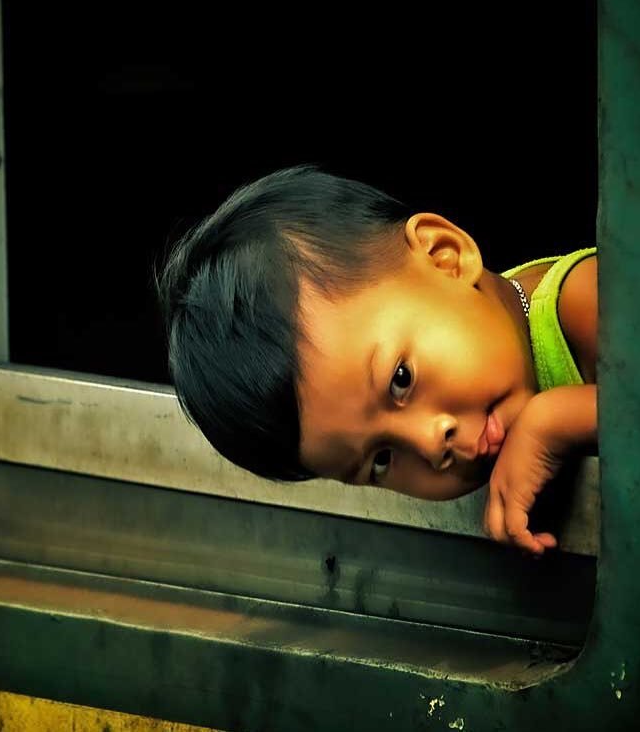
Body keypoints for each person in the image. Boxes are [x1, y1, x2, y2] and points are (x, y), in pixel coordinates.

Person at [156, 166, 597, 557]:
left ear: (444, 257)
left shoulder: (584, 301)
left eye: (400, 380)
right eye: (381, 461)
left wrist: (554, 420)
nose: (430, 445)